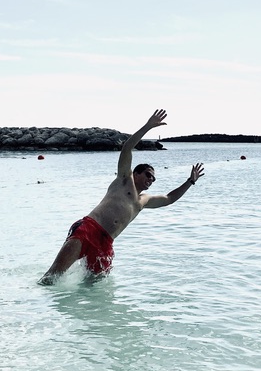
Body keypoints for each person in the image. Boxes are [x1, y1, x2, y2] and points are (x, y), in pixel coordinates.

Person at [40, 109, 204, 283]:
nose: (151, 180)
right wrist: (148, 126)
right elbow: (127, 148)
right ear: (136, 173)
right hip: (89, 229)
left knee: (94, 290)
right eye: (148, 175)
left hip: (106, 243)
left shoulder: (143, 201)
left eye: (154, 178)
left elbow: (169, 198)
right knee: (52, 277)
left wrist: (190, 182)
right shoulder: (124, 179)